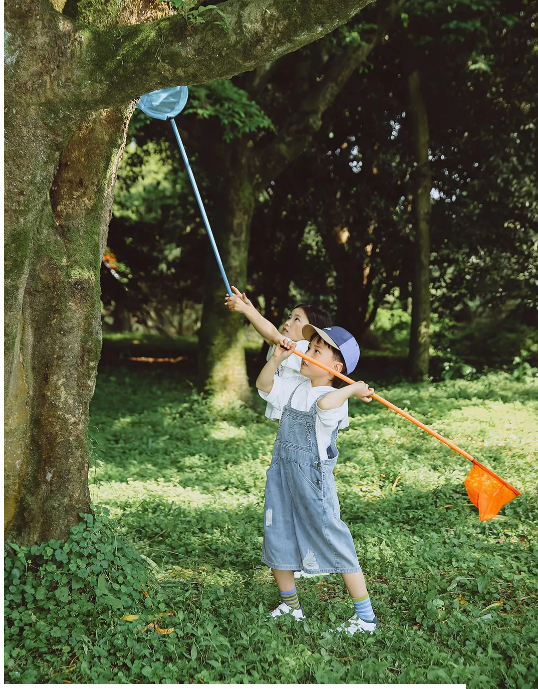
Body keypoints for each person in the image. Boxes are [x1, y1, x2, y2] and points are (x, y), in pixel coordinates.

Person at [256, 324, 379, 635]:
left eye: (315, 351)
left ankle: (365, 618)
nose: (305, 354)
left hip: (312, 479)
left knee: (332, 537)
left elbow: (325, 405)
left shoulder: (334, 396)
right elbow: (264, 385)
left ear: (334, 369)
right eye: (307, 348)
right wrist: (276, 358)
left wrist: (352, 389)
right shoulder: (296, 388)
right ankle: (291, 605)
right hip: (283, 474)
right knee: (278, 531)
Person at [224, 286, 331, 420]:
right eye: (289, 317)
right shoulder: (290, 346)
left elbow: (273, 334)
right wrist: (249, 307)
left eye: (296, 319)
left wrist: (246, 310)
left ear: (312, 331)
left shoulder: (303, 349)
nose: (287, 322)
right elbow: (268, 335)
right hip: (290, 416)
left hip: (299, 416)